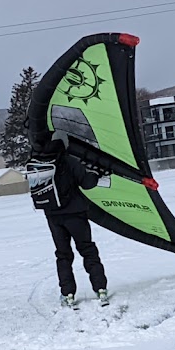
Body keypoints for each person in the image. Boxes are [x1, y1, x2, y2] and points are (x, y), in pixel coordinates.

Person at [26, 131, 110, 307]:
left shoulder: (38, 161)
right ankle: (100, 288)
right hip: (75, 214)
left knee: (63, 255)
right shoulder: (68, 161)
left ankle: (68, 294)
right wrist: (96, 174)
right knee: (87, 250)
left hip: (53, 216)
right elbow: (87, 182)